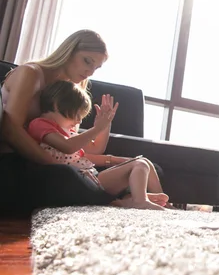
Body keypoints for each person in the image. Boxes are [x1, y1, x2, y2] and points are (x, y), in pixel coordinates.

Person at [0, 29, 162, 216]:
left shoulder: (71, 91)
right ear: (69, 51)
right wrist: (53, 163)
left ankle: (132, 199)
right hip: (17, 162)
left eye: (96, 68)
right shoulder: (31, 73)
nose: (90, 72)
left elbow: (77, 148)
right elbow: (10, 129)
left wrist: (105, 131)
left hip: (59, 162)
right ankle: (118, 201)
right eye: (87, 61)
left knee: (146, 167)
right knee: (68, 176)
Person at [27, 80, 169, 210]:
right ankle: (139, 201)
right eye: (76, 115)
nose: (78, 122)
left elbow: (97, 149)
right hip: (79, 182)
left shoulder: (68, 131)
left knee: (144, 162)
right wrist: (96, 129)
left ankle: (157, 202)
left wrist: (105, 124)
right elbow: (67, 146)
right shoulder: (39, 124)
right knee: (140, 165)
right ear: (58, 106)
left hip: (93, 178)